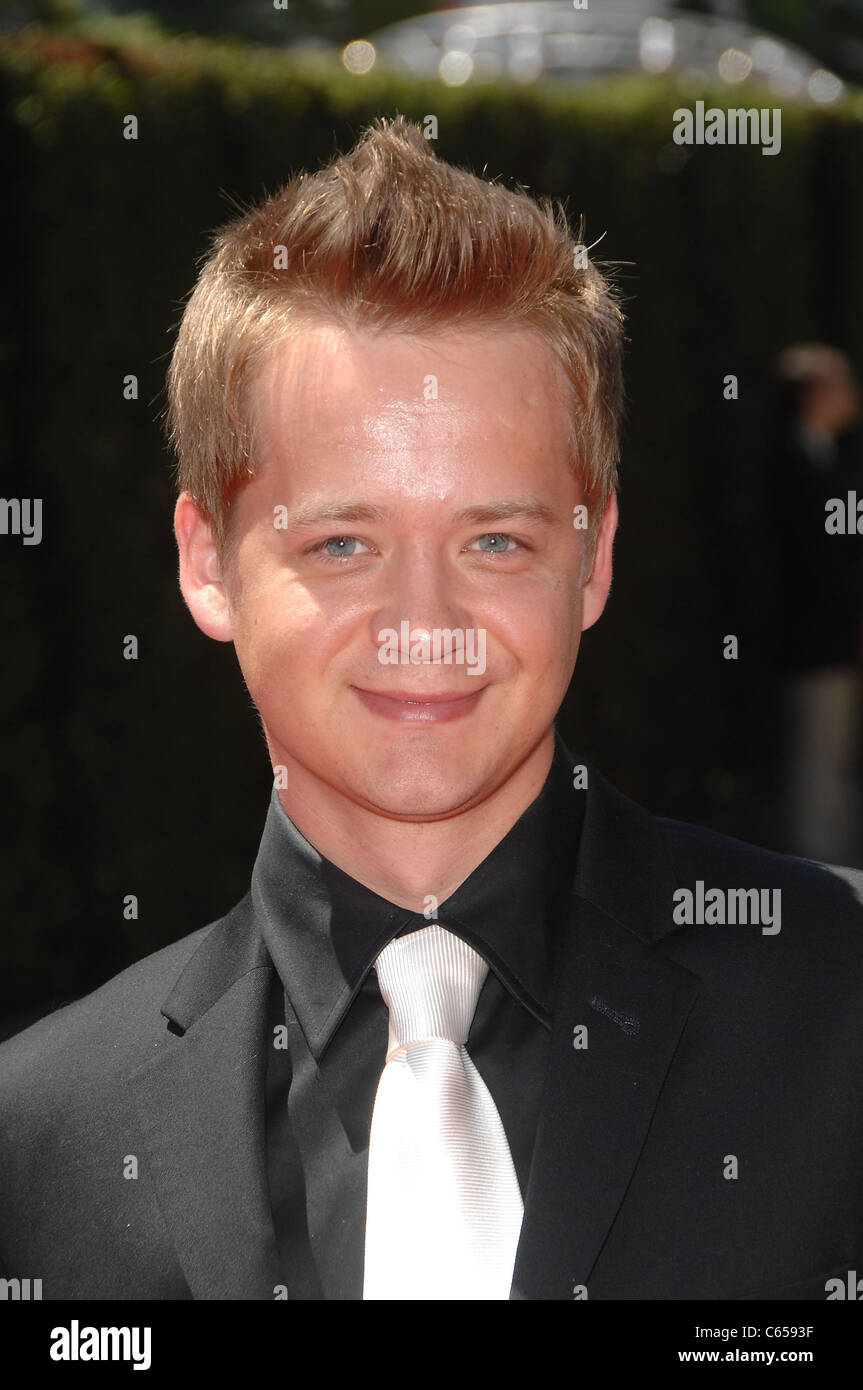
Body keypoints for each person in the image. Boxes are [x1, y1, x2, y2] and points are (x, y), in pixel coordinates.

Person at [1, 117, 862, 1302]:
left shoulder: (839, 1012)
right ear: (206, 563)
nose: (422, 619)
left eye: (494, 538)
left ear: (592, 557)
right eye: (344, 541)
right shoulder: (41, 1141)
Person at [768, 343, 863, 864]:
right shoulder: (793, 460)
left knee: (833, 756)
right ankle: (819, 870)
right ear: (814, 394)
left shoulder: (824, 458)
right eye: (841, 383)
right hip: (818, 638)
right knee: (819, 757)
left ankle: (834, 864)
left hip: (832, 636)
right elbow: (819, 562)